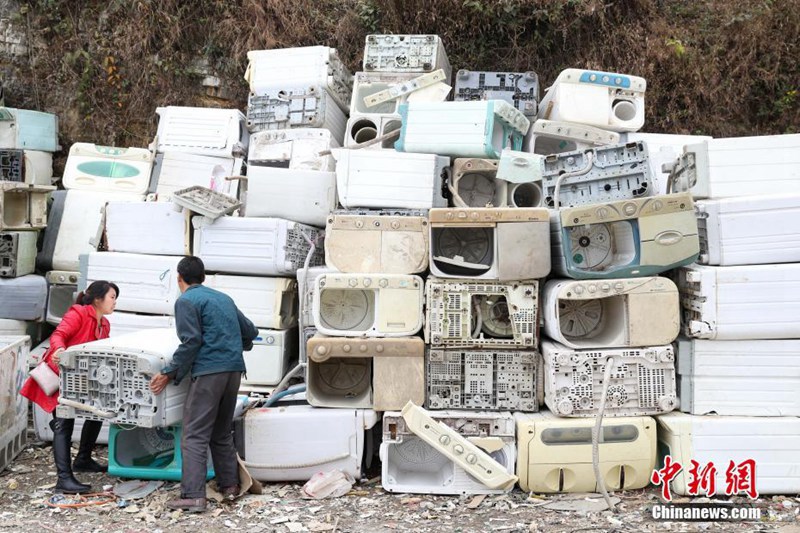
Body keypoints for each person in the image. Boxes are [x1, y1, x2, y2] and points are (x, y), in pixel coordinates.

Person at [149, 256, 258, 513]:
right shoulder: (223, 299)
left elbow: (191, 341)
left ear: (179, 278)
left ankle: (193, 496)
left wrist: (169, 373)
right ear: (204, 277)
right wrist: (234, 345)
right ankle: (229, 485)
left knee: (194, 435)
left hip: (210, 372)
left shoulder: (186, 301)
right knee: (220, 432)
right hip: (233, 371)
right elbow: (250, 332)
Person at [20, 280, 120, 494]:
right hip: (62, 376)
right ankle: (63, 479)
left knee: (96, 414)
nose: (115, 302)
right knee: (63, 423)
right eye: (112, 297)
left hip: (84, 380)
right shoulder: (79, 313)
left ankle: (83, 459)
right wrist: (59, 350)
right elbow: (58, 335)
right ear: (97, 299)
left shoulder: (105, 324)